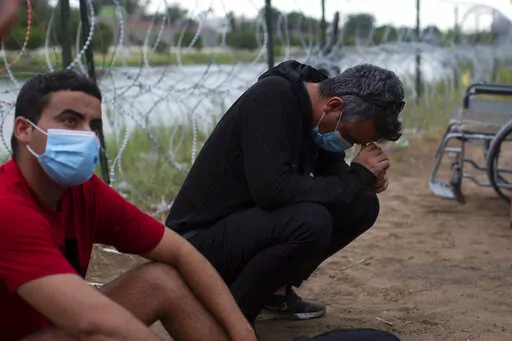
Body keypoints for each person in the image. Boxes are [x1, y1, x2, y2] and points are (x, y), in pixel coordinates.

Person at [0, 70, 257, 341]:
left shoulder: (84, 192)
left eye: (94, 125)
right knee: (103, 331)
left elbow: (180, 251)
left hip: (49, 331)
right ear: (24, 129)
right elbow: (91, 321)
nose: (88, 136)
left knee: (160, 282)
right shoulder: (7, 207)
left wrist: (243, 333)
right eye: (70, 120)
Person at [165, 60, 405, 324]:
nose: (347, 145)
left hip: (244, 230)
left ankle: (271, 292)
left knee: (362, 205)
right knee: (310, 222)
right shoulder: (273, 98)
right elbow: (273, 190)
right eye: (350, 137)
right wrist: (356, 177)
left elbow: (333, 177)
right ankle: (232, 318)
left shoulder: (321, 115)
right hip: (197, 244)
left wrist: (363, 182)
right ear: (334, 105)